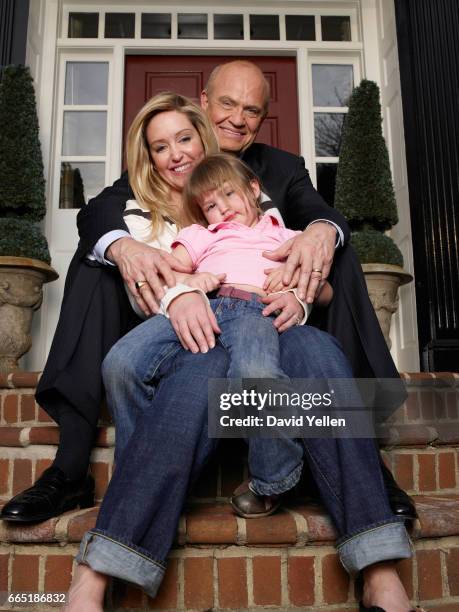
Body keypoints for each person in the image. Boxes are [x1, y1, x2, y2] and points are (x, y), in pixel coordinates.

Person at [0, 60, 414, 524]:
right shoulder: (160, 167)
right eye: (227, 104)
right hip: (174, 314)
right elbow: (98, 213)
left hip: (267, 309)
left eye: (251, 110)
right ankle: (71, 466)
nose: (237, 118)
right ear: (203, 105)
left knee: (333, 247)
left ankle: (359, 454)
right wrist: (128, 250)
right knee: (100, 257)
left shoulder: (279, 168)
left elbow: (320, 212)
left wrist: (318, 234)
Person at [64, 94, 415, 612]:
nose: (176, 154)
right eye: (162, 146)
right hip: (206, 324)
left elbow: (313, 254)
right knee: (190, 384)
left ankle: (379, 566)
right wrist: (182, 291)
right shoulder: (146, 210)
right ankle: (99, 568)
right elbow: (143, 266)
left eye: (185, 139)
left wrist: (297, 287)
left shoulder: (263, 202)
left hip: (276, 317)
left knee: (324, 363)